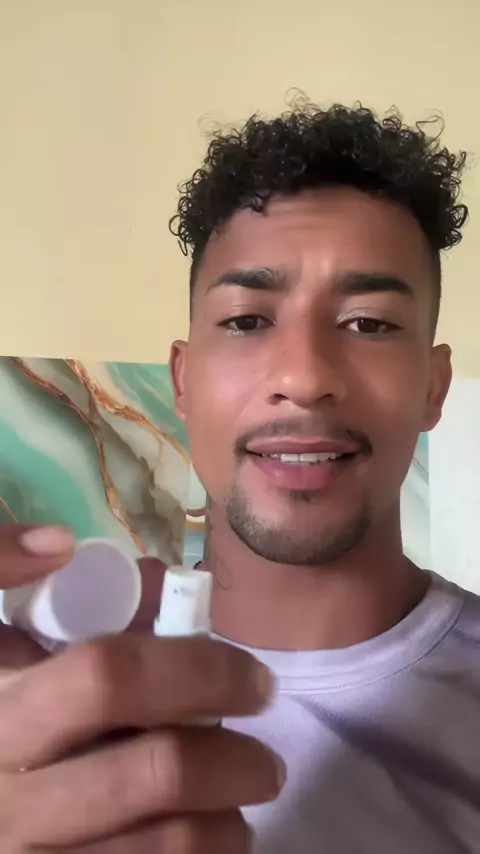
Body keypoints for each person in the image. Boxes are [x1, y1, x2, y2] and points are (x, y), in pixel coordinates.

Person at [0, 100, 476, 853]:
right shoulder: (33, 704)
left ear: (433, 386)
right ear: (182, 382)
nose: (305, 378)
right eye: (248, 320)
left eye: (369, 323)